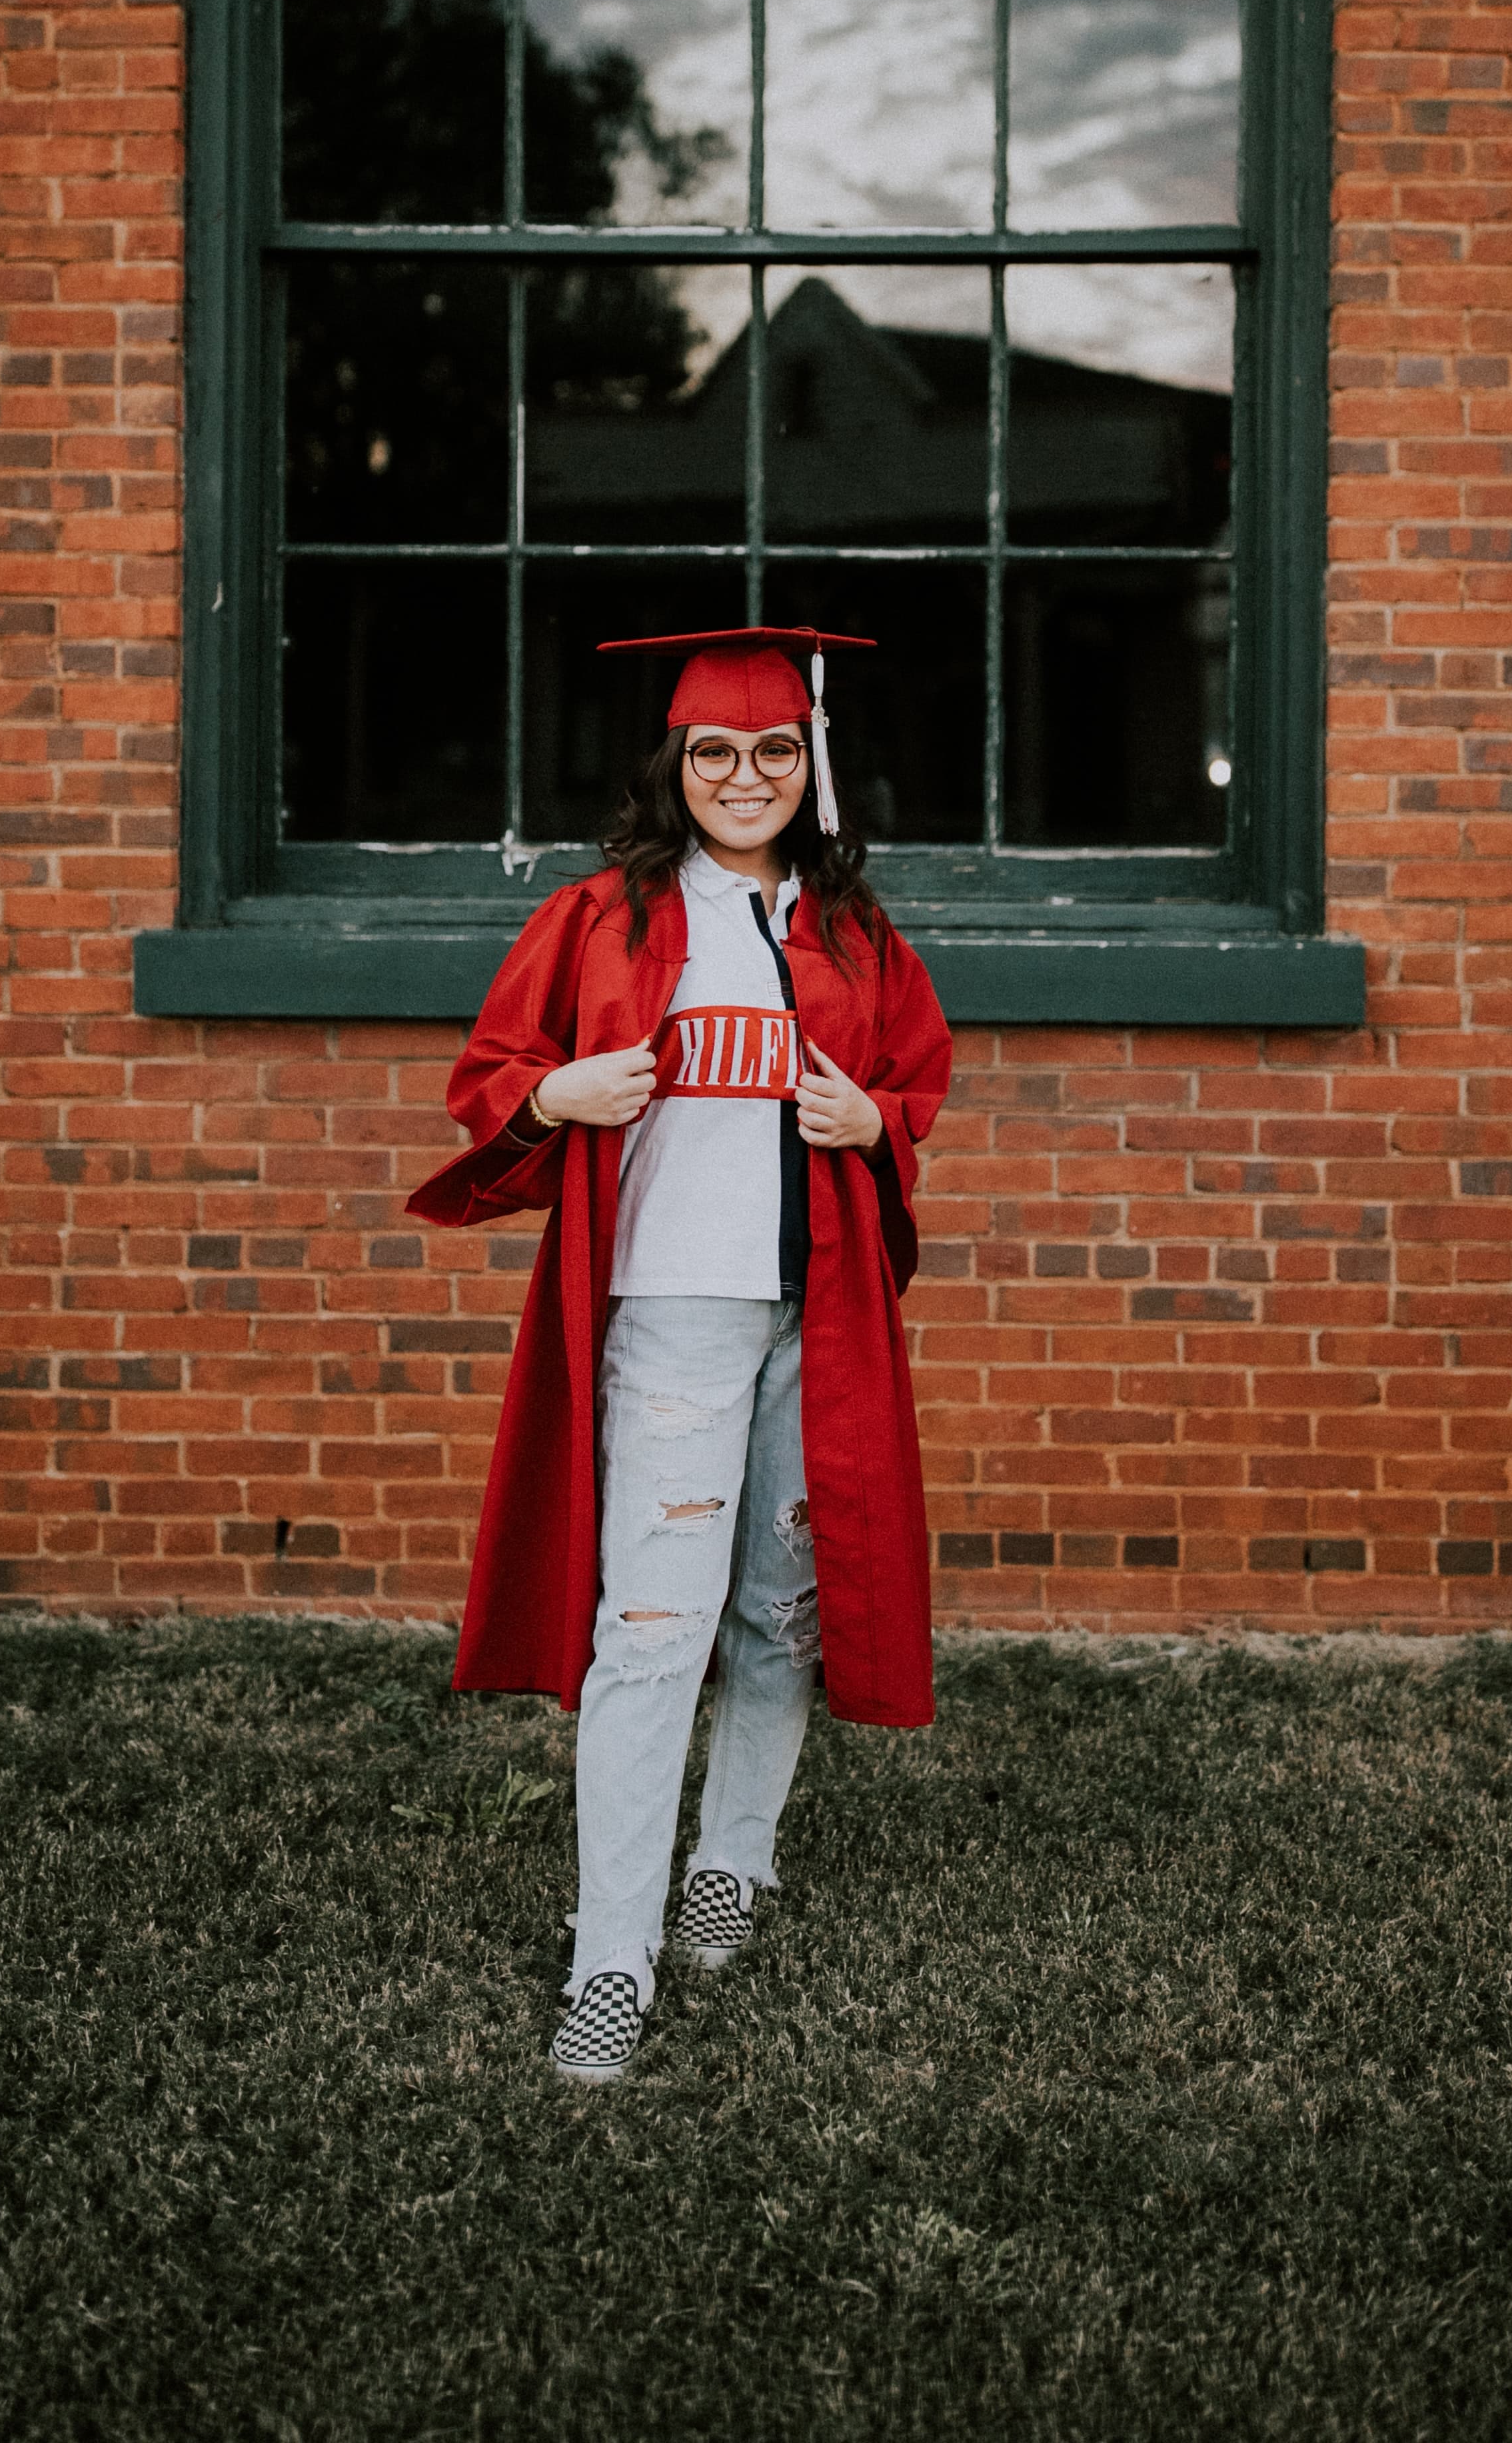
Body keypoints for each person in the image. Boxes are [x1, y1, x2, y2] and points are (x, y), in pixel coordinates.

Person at [407, 625, 953, 2082]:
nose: (747, 777)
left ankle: (735, 1866)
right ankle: (610, 1957)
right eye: (715, 752)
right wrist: (563, 1088)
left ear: (812, 764)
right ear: (676, 765)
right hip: (674, 1313)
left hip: (816, 1311)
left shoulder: (850, 930)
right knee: (653, 1636)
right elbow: (489, 1082)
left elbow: (912, 1079)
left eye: (777, 750)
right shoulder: (603, 917)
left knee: (782, 1610)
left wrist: (872, 1127)